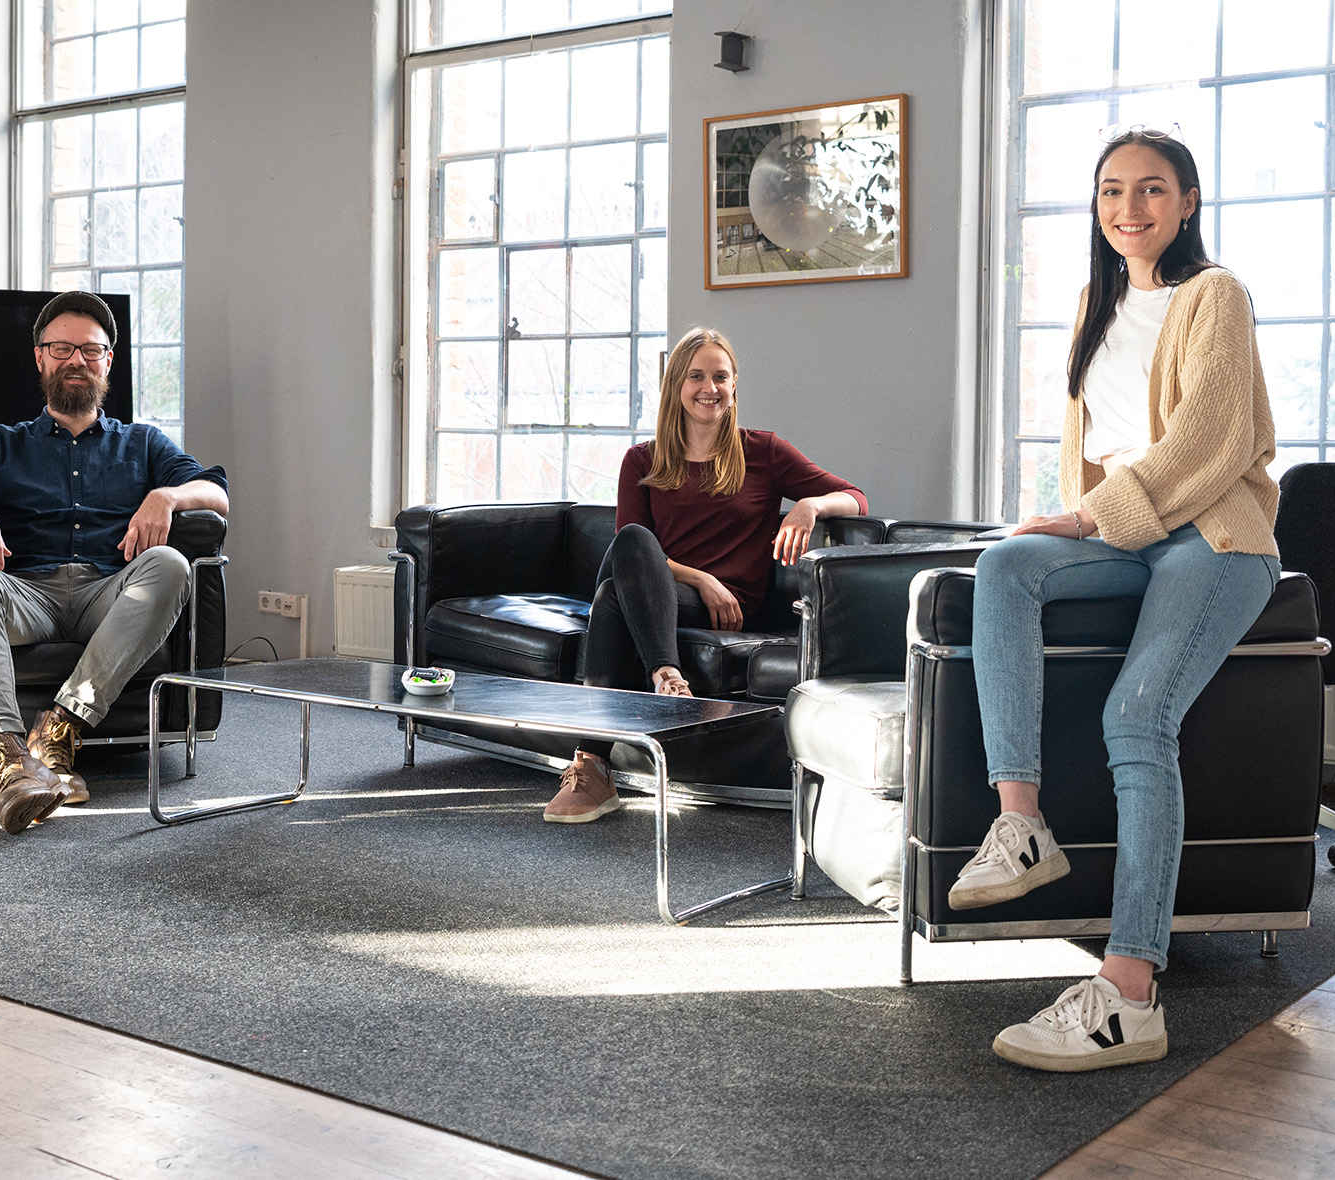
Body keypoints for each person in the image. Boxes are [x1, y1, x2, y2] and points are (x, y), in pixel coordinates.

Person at [949, 126, 1281, 1070]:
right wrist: (1077, 517)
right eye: (1109, 191)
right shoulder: (1096, 301)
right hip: (1133, 531)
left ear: (1185, 204)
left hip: (1215, 535)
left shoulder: (1213, 294)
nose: (1128, 207)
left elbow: (1213, 442)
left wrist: (1090, 518)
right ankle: (1020, 825)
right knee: (1007, 565)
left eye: (1150, 189)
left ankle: (1129, 990)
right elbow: (1100, 441)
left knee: (1137, 715)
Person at [0, 291, 229, 835]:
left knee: (170, 564)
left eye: (89, 350)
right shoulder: (1, 443)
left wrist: (167, 498)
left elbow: (216, 495)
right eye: (61, 349)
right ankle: (8, 760)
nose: (75, 360)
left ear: (107, 362)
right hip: (26, 593)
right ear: (40, 358)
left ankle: (58, 730)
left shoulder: (143, 443)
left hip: (109, 591)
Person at [543, 326, 868, 823]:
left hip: (733, 606)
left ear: (735, 385)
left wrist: (807, 505)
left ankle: (592, 766)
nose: (708, 388)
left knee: (612, 595)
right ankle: (666, 675)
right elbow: (632, 549)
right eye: (696, 376)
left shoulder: (763, 452)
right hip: (673, 593)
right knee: (625, 557)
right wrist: (699, 577)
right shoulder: (642, 460)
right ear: (676, 384)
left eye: (720, 376)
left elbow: (855, 496)